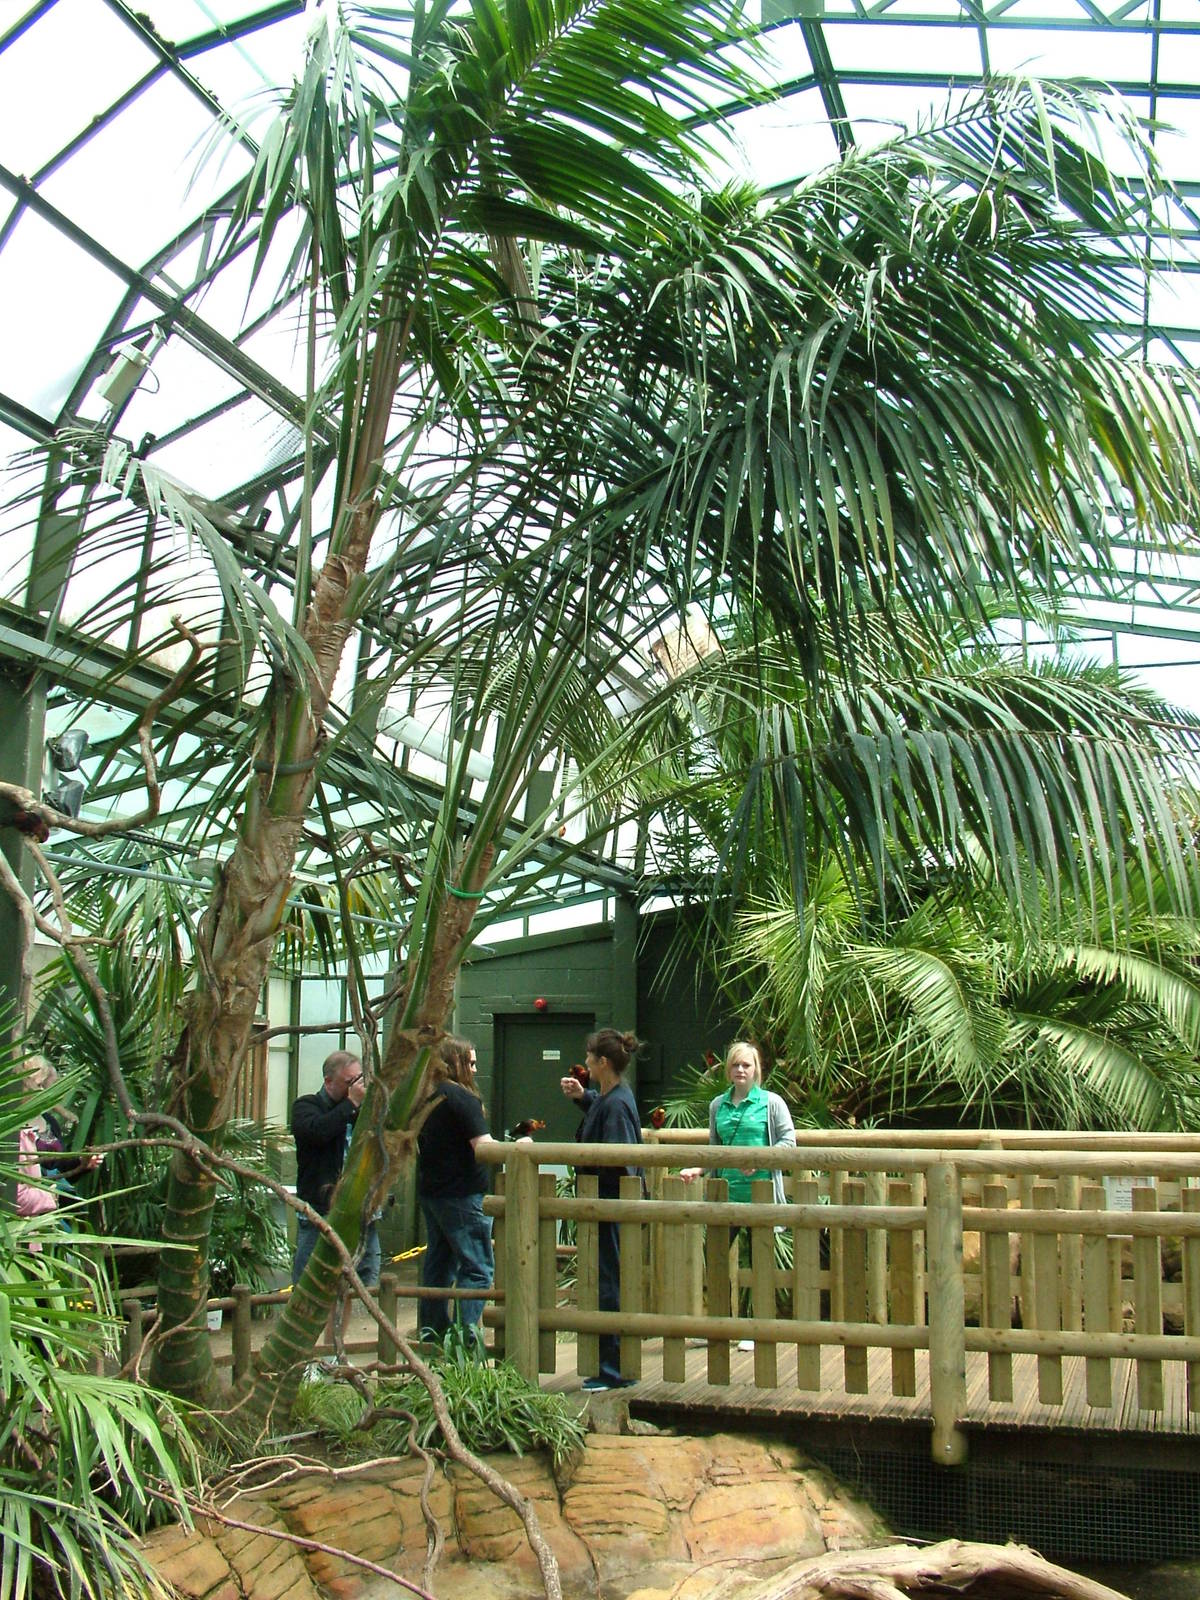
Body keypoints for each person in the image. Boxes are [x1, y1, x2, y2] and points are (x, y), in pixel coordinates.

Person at [680, 1041, 796, 1350]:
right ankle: (719, 1326)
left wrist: (760, 1159)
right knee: (716, 1259)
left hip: (760, 1195)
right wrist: (699, 1169)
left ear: (757, 1069)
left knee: (756, 1263)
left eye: (746, 1065)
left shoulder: (771, 1103)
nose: (741, 1070)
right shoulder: (718, 1105)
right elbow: (716, 1148)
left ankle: (754, 1328)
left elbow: (789, 1142)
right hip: (725, 1195)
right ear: (728, 1070)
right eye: (735, 1065)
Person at [559, 1027, 643, 1391]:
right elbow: (603, 1107)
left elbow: (619, 1157)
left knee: (613, 1283)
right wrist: (583, 1097)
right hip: (603, 1204)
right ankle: (611, 1365)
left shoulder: (619, 1105)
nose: (587, 1064)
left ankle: (615, 1369)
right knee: (608, 1279)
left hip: (612, 1205)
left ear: (603, 1062)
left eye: (590, 1059)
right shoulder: (611, 1098)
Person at [416, 1036, 499, 1346]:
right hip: (463, 1194)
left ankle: (433, 1332)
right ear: (456, 1064)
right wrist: (516, 1149)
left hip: (432, 1192)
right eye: (471, 1063)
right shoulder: (463, 1099)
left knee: (439, 1263)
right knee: (477, 1267)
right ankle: (467, 1338)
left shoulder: (426, 1097)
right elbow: (483, 1146)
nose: (475, 1070)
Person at [290, 1049, 379, 1289]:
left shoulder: (361, 1111)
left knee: (359, 1281)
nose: (357, 1088)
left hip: (360, 1211)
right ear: (328, 1081)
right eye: (350, 1082)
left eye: (360, 1080)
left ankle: (341, 1329)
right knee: (310, 1281)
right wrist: (350, 1103)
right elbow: (318, 1131)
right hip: (320, 1212)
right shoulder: (307, 1106)